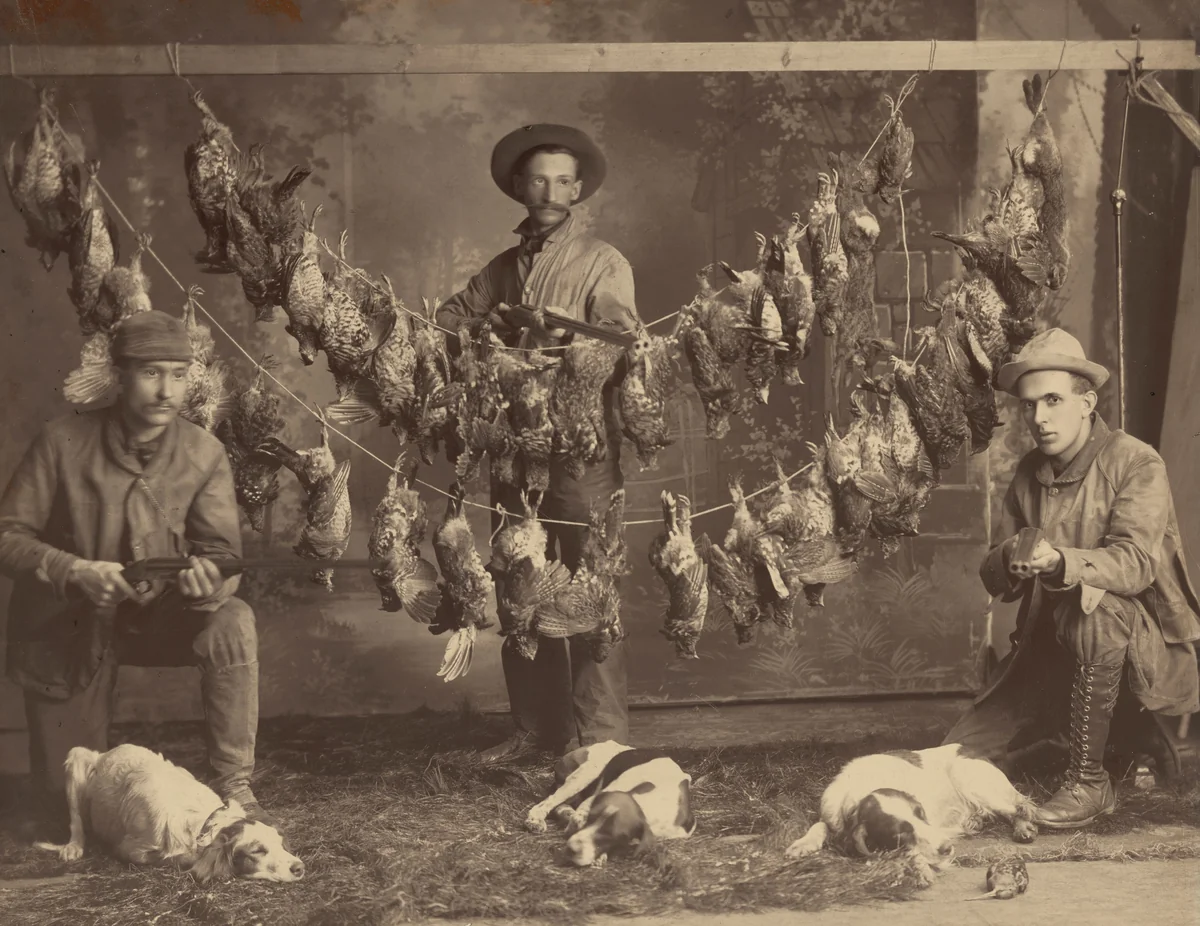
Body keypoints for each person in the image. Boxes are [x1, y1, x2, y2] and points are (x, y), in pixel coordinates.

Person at [0, 311, 278, 837]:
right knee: (68, 807)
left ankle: (234, 783)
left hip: (157, 617)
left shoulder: (204, 452)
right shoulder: (60, 441)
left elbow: (221, 553)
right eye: (151, 373)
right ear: (120, 376)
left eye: (179, 374)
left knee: (232, 619)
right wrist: (74, 569)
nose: (166, 391)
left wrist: (209, 583)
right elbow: (7, 535)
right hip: (71, 625)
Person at [437, 124, 641, 763]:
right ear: (519, 188)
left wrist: (560, 335)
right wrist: (496, 324)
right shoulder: (502, 269)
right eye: (538, 180)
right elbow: (447, 320)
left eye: (562, 181)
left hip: (579, 450)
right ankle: (536, 729)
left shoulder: (603, 261)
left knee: (588, 585)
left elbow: (622, 343)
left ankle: (600, 741)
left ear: (577, 191)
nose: (549, 192)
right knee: (519, 582)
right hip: (513, 450)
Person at [943, 327, 1200, 829]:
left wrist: (1061, 561)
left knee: (1095, 610)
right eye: (1029, 405)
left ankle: (1089, 780)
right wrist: (1011, 559)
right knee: (959, 759)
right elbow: (997, 580)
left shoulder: (1136, 461)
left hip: (1136, 644)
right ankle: (1125, 733)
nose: (1038, 418)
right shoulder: (1028, 472)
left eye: (1053, 400)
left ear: (1087, 403)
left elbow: (1134, 564)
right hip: (1047, 646)